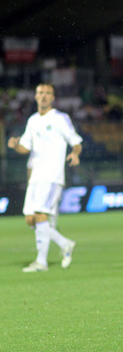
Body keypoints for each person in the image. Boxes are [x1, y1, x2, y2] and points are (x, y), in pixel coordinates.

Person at [7, 83, 81, 272]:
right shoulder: (32, 120)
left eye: (48, 93)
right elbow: (26, 147)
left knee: (40, 215)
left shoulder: (59, 118)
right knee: (31, 219)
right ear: (35, 96)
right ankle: (65, 243)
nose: (44, 96)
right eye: (41, 93)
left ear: (53, 98)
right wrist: (16, 145)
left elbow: (75, 140)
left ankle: (41, 262)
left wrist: (75, 153)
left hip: (52, 175)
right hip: (35, 176)